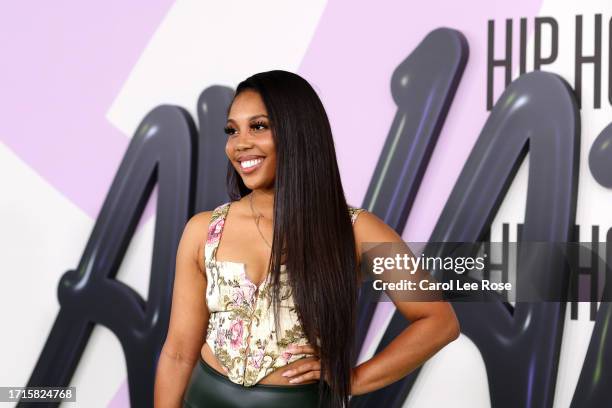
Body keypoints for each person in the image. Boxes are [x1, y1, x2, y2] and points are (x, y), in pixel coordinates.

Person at [154, 70, 460, 408]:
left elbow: (438, 321)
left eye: (259, 126)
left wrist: (354, 379)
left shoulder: (356, 230)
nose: (240, 143)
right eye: (232, 130)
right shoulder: (203, 230)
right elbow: (179, 353)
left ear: (297, 132)